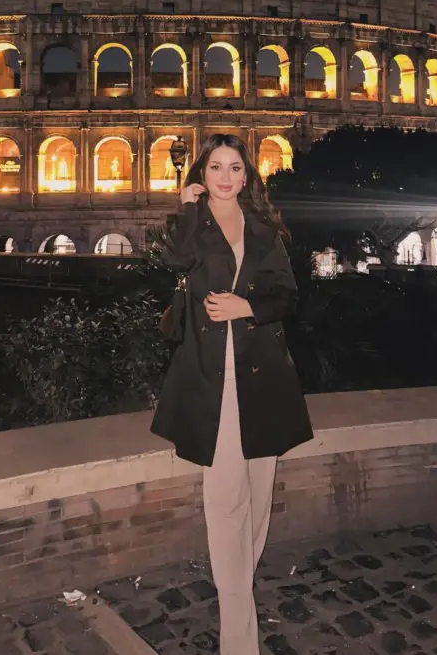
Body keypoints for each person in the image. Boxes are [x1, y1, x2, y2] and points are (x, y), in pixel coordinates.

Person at [151, 133, 314, 655]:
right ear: (202, 173)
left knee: (258, 500)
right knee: (226, 503)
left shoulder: (264, 230)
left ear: (247, 176)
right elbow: (173, 263)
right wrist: (186, 209)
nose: (225, 177)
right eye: (216, 166)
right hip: (209, 378)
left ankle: (238, 583)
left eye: (235, 167)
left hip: (263, 378)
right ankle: (239, 633)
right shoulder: (192, 225)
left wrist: (249, 308)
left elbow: (288, 295)